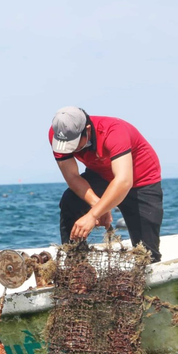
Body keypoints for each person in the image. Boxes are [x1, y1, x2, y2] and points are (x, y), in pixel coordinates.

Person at [49, 106, 163, 261]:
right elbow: (72, 177)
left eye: (74, 143)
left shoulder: (114, 131)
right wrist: (98, 205)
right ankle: (76, 268)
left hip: (141, 180)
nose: (70, 148)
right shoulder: (59, 134)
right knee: (71, 200)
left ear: (87, 130)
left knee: (147, 253)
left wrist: (93, 214)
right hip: (101, 174)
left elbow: (123, 181)